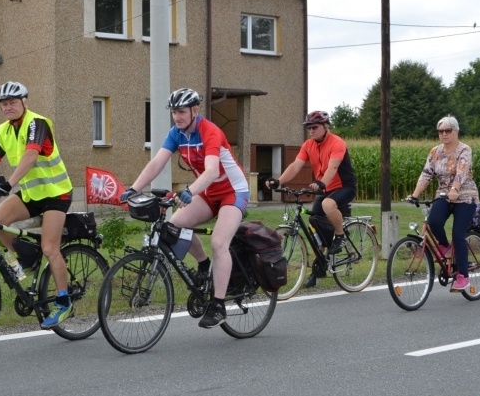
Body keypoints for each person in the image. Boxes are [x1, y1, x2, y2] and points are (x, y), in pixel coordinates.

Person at [119, 88, 249, 329]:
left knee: (219, 243)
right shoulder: (176, 134)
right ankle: (203, 264)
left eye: (181, 112)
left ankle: (219, 305)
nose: (176, 117)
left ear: (194, 111)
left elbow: (211, 170)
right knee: (173, 227)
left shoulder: (210, 132)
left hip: (233, 191)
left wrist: (190, 192)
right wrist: (134, 188)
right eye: (173, 112)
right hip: (208, 192)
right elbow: (157, 161)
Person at [0, 81, 74, 329]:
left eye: (12, 102)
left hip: (56, 194)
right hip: (31, 194)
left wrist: (8, 184)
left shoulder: (37, 123)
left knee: (50, 248)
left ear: (24, 103)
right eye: (4, 104)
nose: (8, 107)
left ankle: (64, 301)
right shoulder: (3, 131)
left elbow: (31, 156)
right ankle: (27, 258)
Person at [265, 110, 357, 287]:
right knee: (316, 226)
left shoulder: (337, 143)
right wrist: (278, 181)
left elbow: (333, 167)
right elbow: (295, 166)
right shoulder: (308, 145)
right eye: (309, 128)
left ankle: (340, 236)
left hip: (344, 187)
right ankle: (319, 267)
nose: (311, 130)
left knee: (328, 204)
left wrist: (321, 183)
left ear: (326, 126)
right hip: (325, 187)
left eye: (314, 127)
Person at [407, 115, 479, 292]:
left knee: (458, 233)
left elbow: (461, 172)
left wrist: (455, 189)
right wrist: (415, 195)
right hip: (444, 194)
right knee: (434, 221)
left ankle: (463, 276)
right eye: (441, 131)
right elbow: (426, 174)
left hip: (465, 195)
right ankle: (444, 246)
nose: (444, 134)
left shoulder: (464, 149)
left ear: (456, 131)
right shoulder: (435, 152)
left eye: (448, 130)